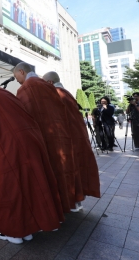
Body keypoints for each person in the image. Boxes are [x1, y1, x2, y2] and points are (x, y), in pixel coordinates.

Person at [0, 80, 64, 243]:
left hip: (8, 147)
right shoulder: (6, 94)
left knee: (7, 187)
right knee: (29, 185)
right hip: (31, 142)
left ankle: (12, 231)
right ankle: (28, 228)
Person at [13, 63, 79, 213]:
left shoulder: (27, 87)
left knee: (46, 173)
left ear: (21, 72)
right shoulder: (50, 86)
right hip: (59, 136)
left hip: (42, 137)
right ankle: (67, 203)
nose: (16, 79)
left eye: (16, 76)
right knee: (62, 170)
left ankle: (51, 208)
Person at [43, 72, 100, 205]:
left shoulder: (56, 94)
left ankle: (73, 200)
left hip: (66, 138)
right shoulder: (66, 93)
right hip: (76, 136)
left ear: (50, 83)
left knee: (68, 169)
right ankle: (76, 200)